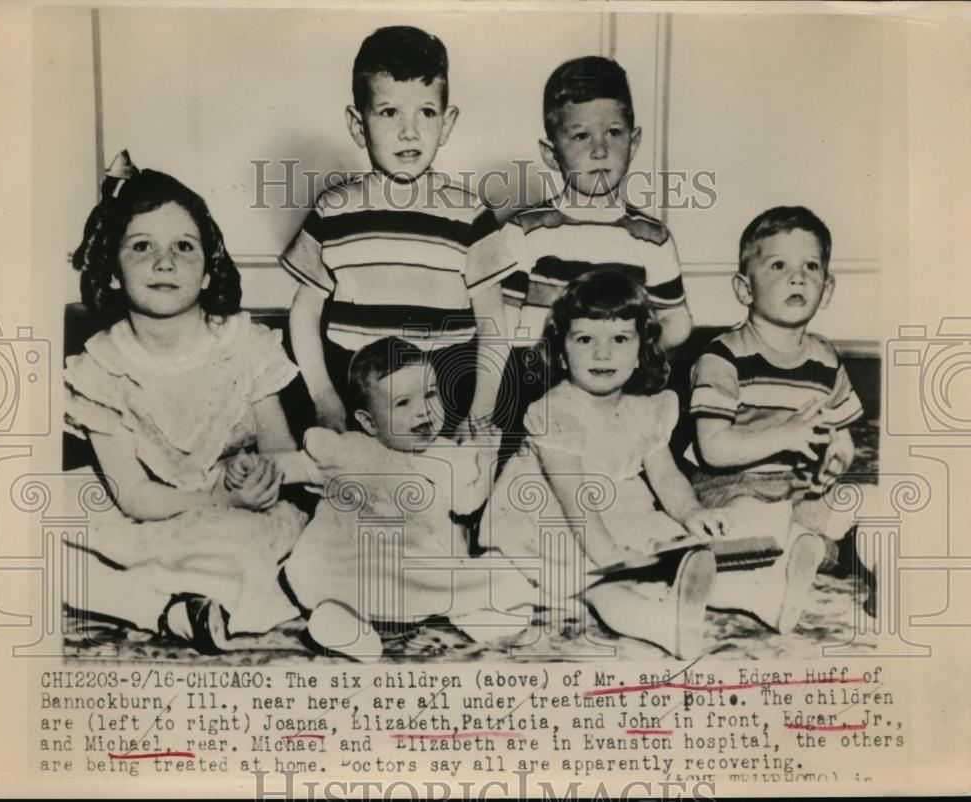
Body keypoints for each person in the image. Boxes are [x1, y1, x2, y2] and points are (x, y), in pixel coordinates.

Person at [63, 152, 308, 653]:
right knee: (51, 535)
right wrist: (212, 500)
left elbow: (280, 452)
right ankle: (166, 608)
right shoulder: (101, 367)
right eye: (141, 246)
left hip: (233, 512)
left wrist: (258, 477)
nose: (164, 261)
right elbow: (131, 495)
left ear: (206, 273)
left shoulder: (244, 346)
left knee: (259, 541)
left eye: (183, 246)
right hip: (147, 509)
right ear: (111, 271)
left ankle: (195, 597)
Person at [281, 26, 515, 437]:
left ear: (446, 123)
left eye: (426, 112)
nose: (410, 131)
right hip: (356, 387)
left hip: (442, 388)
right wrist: (323, 396)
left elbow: (494, 320)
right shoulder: (333, 211)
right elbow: (304, 312)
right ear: (358, 125)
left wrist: (481, 409)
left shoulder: (468, 214)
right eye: (389, 112)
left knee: (448, 488)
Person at [480, 269, 723, 660]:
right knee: (600, 583)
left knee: (683, 550)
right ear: (561, 351)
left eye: (620, 339)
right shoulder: (555, 412)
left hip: (614, 508)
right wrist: (610, 557)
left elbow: (665, 475)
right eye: (585, 339)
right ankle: (659, 624)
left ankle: (755, 593)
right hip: (553, 517)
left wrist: (691, 511)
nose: (602, 353)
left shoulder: (646, 411)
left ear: (642, 347)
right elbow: (575, 505)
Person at [278, 337, 537, 662]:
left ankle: (465, 610)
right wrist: (252, 471)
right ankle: (343, 623)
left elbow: (469, 502)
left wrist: (486, 456)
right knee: (336, 583)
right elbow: (292, 467)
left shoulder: (445, 455)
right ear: (369, 422)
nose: (423, 410)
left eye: (430, 394)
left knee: (496, 574)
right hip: (352, 564)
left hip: (416, 566)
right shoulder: (348, 450)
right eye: (403, 403)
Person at [492, 56, 694, 436]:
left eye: (614, 133)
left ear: (633, 142)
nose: (600, 150)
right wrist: (547, 351)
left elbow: (678, 320)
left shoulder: (650, 238)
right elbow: (500, 325)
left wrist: (636, 350)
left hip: (620, 396)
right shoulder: (526, 231)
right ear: (551, 154)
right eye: (581, 135)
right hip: (541, 396)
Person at [688, 205, 867, 630]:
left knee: (869, 503)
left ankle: (810, 547)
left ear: (827, 288)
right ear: (744, 288)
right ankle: (804, 562)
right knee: (742, 526)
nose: (798, 276)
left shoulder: (824, 356)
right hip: (732, 489)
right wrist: (785, 434)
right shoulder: (723, 357)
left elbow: (840, 432)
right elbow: (712, 449)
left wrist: (839, 455)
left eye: (812, 266)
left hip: (798, 491)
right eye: (779, 265)